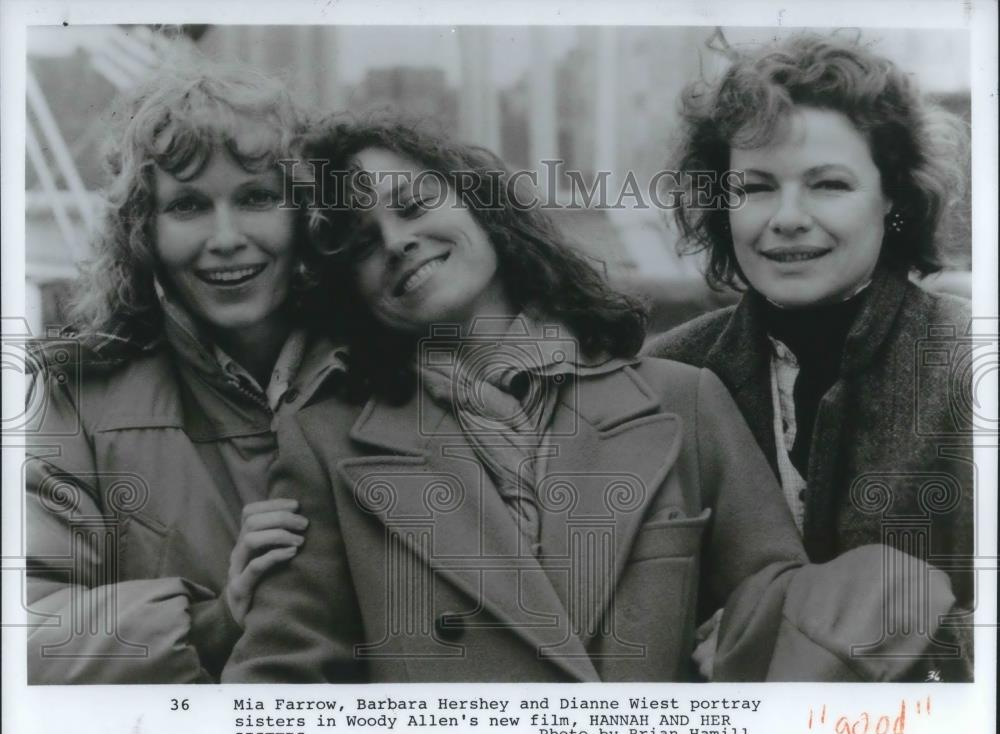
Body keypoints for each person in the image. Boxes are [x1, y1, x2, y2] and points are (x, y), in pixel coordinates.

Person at [223, 120, 958, 683]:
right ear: (346, 288)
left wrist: (892, 591)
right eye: (359, 242)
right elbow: (281, 690)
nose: (397, 241)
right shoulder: (327, 442)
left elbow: (778, 625)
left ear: (481, 205)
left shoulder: (684, 400)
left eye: (414, 205)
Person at [645, 34, 974, 678]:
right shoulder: (669, 374)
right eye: (756, 187)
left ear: (894, 199)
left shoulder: (970, 362)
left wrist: (814, 635)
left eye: (828, 184)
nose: (788, 217)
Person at [25, 58, 348, 683]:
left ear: (306, 213)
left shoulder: (383, 370)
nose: (225, 238)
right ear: (143, 232)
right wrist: (211, 623)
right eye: (189, 205)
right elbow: (27, 636)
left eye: (256, 197)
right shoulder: (78, 399)